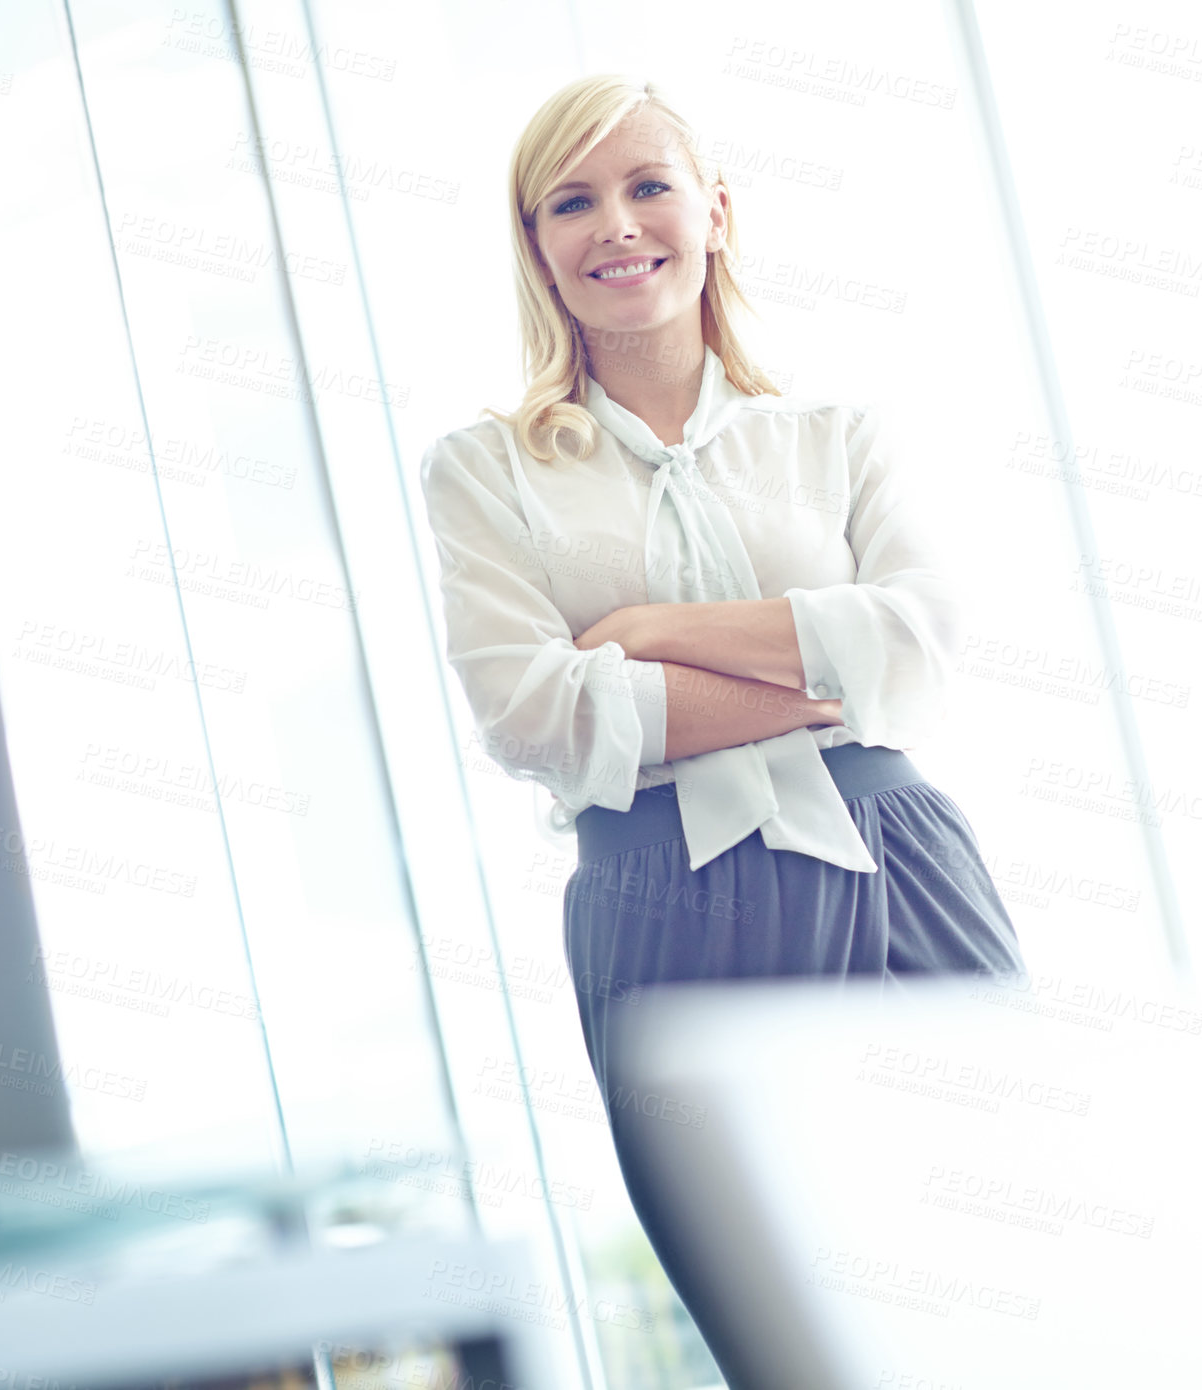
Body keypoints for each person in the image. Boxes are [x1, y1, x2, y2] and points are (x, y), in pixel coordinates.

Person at [417, 72, 1028, 1382]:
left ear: (715, 211)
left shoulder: (831, 433)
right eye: (569, 201)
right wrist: (816, 661)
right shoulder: (484, 469)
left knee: (1000, 1299)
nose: (615, 224)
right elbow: (527, 709)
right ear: (534, 245)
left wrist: (642, 632)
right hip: (656, 892)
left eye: (647, 185)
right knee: (786, 1340)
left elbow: (917, 642)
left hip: (897, 861)